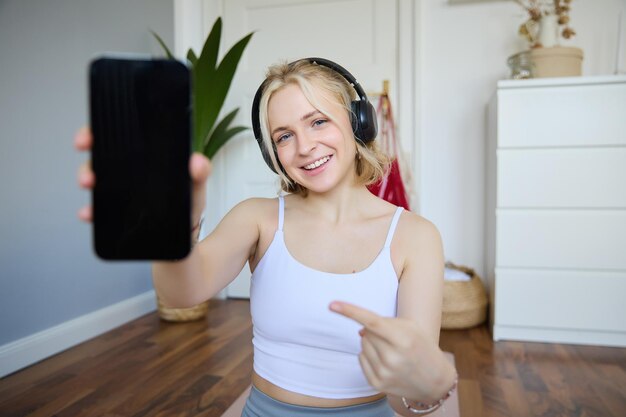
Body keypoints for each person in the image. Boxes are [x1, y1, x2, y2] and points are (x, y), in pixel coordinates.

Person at [75, 58, 457, 416]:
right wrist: (172, 225)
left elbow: (417, 391)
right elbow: (181, 294)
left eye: (318, 122)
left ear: (359, 123)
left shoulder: (415, 237)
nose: (304, 147)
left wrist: (432, 380)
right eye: (284, 135)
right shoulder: (258, 218)